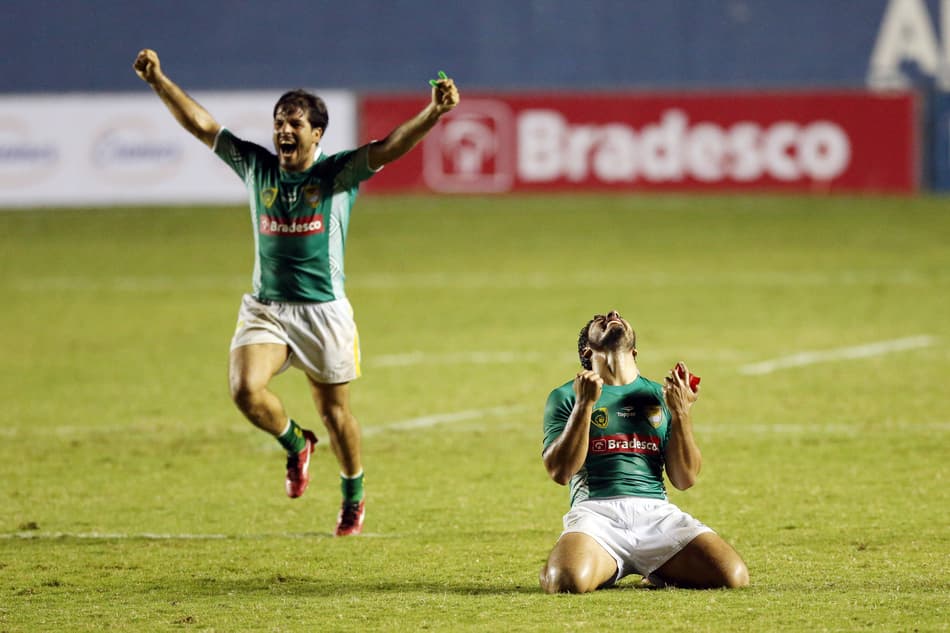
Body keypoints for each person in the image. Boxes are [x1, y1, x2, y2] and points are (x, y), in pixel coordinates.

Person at [133, 48, 459, 536]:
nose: (284, 131)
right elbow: (203, 127)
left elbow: (390, 146)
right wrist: (159, 80)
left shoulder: (335, 175)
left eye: (295, 124)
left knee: (335, 413)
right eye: (280, 122)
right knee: (245, 389)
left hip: (323, 313)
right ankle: (294, 444)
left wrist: (433, 111)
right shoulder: (257, 167)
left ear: (317, 134)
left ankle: (353, 493)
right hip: (267, 308)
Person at [539, 310, 749, 592]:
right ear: (588, 350)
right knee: (565, 581)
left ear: (634, 351)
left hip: (656, 514)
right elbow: (560, 471)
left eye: (616, 316)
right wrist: (584, 405)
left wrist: (681, 412)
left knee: (733, 577)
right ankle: (602, 563)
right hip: (596, 515)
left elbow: (685, 478)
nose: (612, 314)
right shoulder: (566, 396)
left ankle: (654, 568)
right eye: (599, 319)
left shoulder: (660, 395)